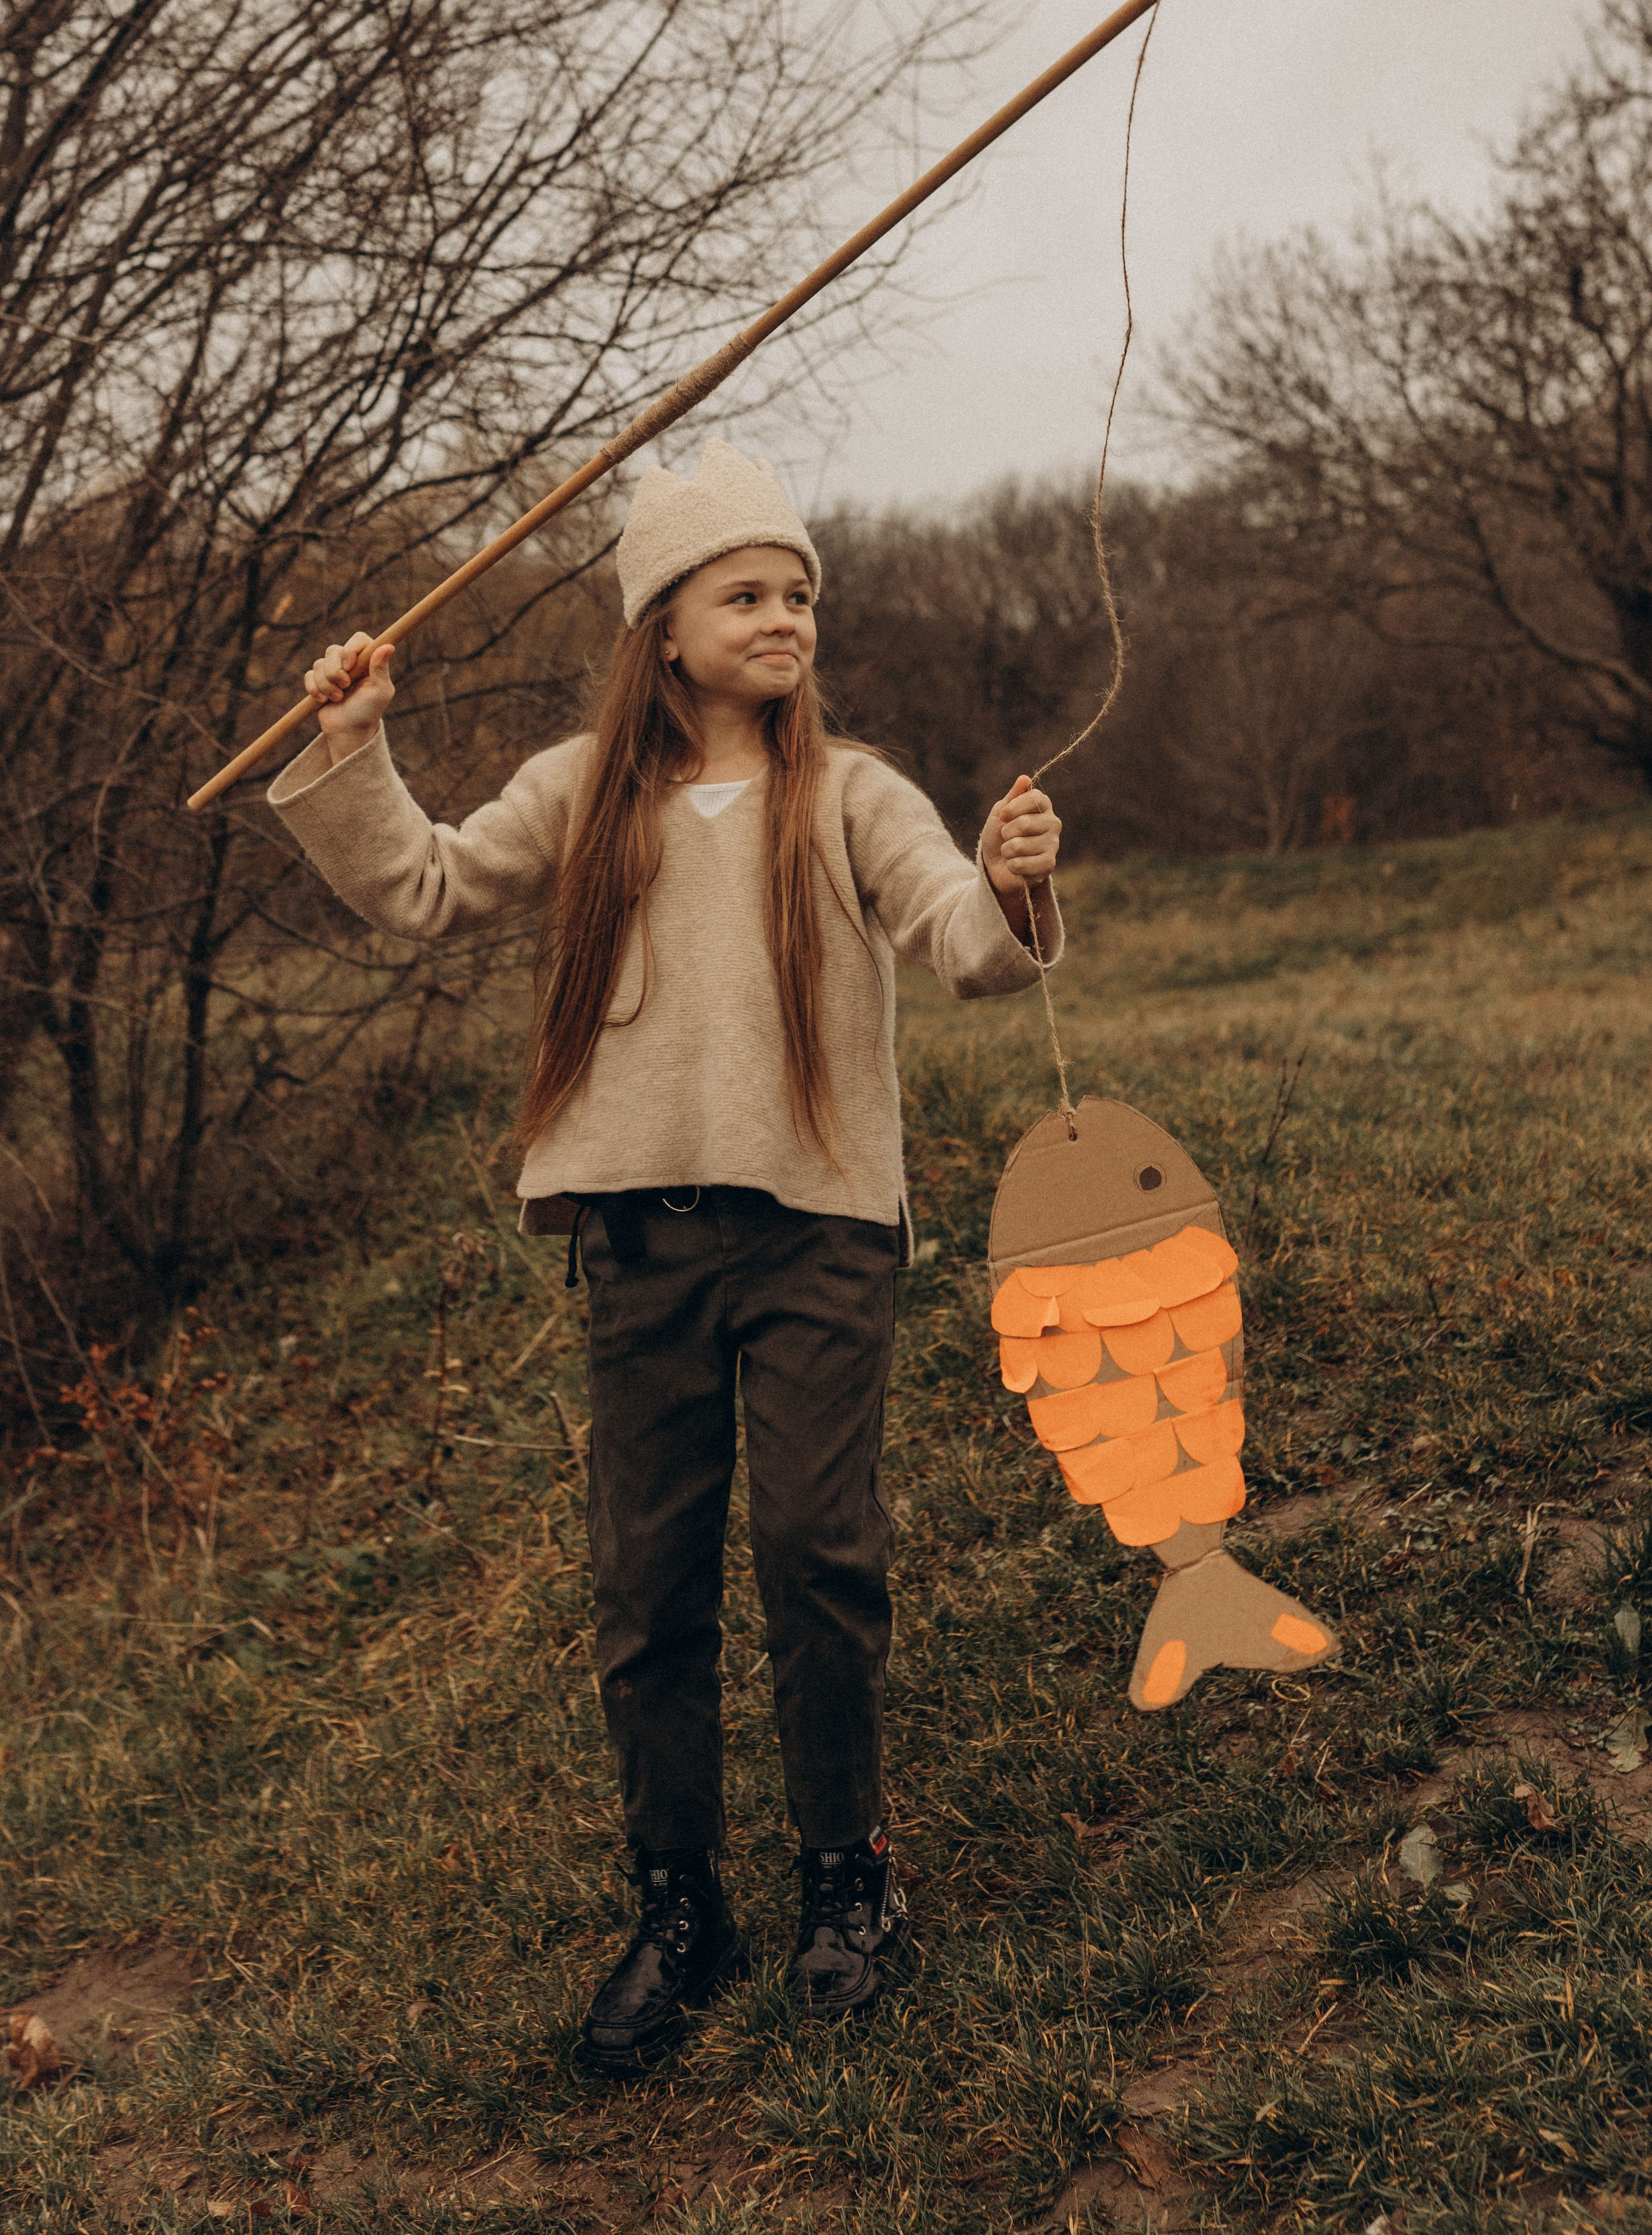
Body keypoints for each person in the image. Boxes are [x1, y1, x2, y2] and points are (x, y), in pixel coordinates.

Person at [268, 437, 1062, 2074]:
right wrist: (355, 746)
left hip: (818, 1239)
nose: (784, 618)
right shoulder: (579, 794)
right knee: (646, 1585)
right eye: (745, 593)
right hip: (638, 1249)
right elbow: (417, 883)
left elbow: (962, 940)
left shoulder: (850, 793)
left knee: (818, 1553)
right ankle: (676, 1904)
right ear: (664, 627)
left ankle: (849, 1881)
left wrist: (1007, 886)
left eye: (797, 593)